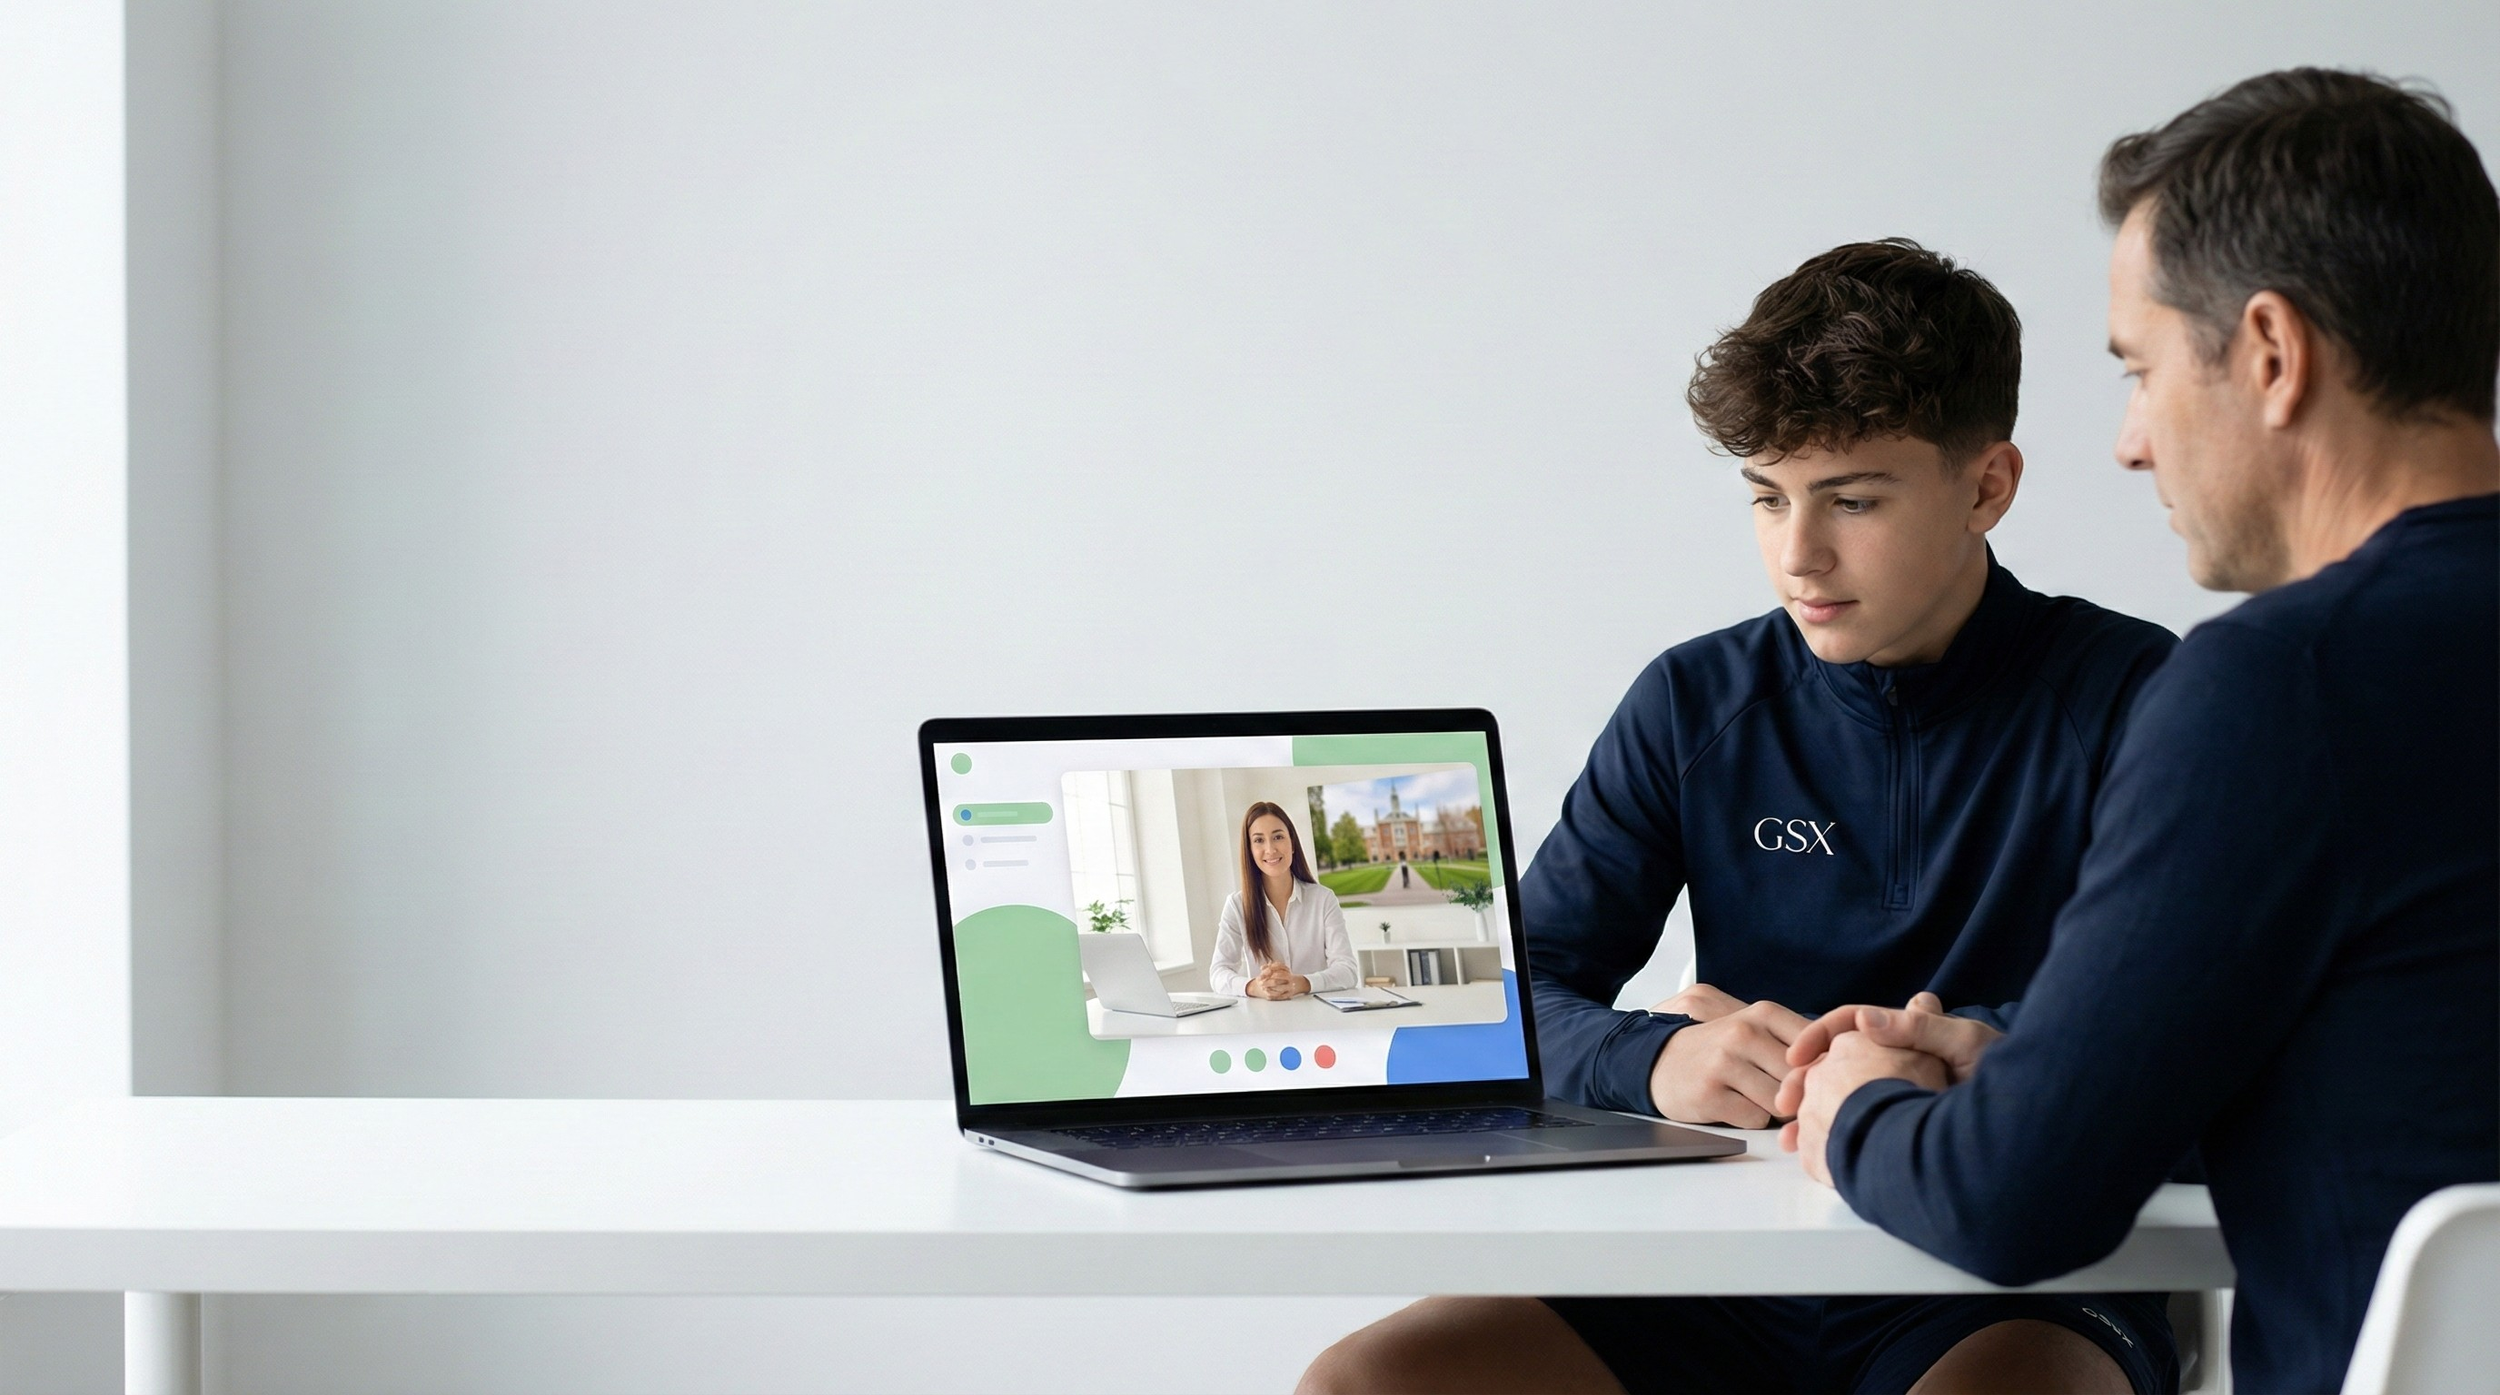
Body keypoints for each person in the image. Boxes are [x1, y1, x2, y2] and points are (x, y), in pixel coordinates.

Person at [1301, 241, 2181, 1394]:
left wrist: (1964, 1057)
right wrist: (1656, 1057)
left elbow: (2183, 1019)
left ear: (1985, 487)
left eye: (1850, 500)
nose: (1796, 556)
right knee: (1363, 1385)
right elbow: (1498, 1000)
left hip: (2005, 1275)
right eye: (1768, 498)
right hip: (1715, 1267)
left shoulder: (2136, 697)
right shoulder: (1694, 702)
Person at [1781, 69, 2500, 1395]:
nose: (2129, 442)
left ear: (2273, 356)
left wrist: (1857, 1107)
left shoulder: (2279, 687)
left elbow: (2016, 1199)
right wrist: (2043, 1063)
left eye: (2142, 367)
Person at [1210, 802, 1358, 999]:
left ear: (1292, 843)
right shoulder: (1237, 905)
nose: (1270, 849)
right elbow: (1218, 973)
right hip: (1264, 1019)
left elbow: (1347, 970)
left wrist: (1299, 983)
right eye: (1259, 840)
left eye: (1278, 837)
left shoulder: (1323, 899)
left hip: (1319, 1016)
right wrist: (1255, 987)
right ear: (1250, 850)